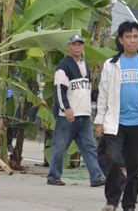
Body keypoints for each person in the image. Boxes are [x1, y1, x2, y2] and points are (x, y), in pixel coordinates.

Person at [94, 21, 138, 211]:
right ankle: (111, 200)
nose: (132, 40)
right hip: (116, 122)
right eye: (128, 37)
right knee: (114, 160)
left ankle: (129, 204)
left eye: (135, 36)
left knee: (135, 167)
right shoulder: (111, 65)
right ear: (121, 40)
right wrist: (99, 120)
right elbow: (103, 94)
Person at [47, 34, 105, 187]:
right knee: (60, 147)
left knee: (89, 147)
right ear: (69, 47)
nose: (77, 47)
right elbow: (59, 89)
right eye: (74, 44)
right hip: (68, 115)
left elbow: (85, 89)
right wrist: (66, 108)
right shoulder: (63, 66)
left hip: (84, 115)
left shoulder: (85, 64)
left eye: (80, 44)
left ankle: (96, 177)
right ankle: (53, 176)